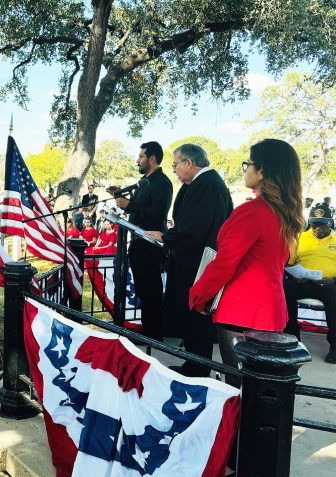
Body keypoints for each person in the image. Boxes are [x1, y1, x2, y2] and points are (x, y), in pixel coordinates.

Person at [190, 139, 304, 376]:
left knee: (237, 385)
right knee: (260, 385)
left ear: (262, 171)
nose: (246, 169)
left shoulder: (252, 212)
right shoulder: (284, 213)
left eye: (249, 164)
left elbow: (224, 263)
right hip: (272, 309)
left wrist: (198, 295)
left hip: (241, 309)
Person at [146, 143, 233, 376]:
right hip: (190, 260)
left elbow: (196, 226)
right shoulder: (201, 184)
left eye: (176, 164)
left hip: (197, 264)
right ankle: (193, 362)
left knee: (196, 317)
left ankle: (199, 367)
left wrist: (167, 236)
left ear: (189, 163)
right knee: (189, 316)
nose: (174, 169)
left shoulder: (209, 185)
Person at [111, 141, 172, 342]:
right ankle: (148, 330)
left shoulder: (162, 183)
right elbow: (139, 207)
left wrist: (131, 205)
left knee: (151, 289)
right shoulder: (144, 182)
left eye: (141, 156)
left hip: (150, 242)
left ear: (152, 158)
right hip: (138, 241)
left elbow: (158, 213)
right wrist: (122, 200)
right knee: (143, 289)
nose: (138, 160)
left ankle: (153, 334)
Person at [284, 203, 336, 363]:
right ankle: (292, 338)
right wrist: (295, 275)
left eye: (322, 225)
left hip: (328, 284)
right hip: (302, 281)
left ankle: (334, 346)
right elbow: (289, 263)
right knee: (284, 292)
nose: (317, 228)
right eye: (314, 224)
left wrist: (333, 279)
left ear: (330, 223)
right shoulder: (299, 238)